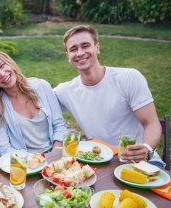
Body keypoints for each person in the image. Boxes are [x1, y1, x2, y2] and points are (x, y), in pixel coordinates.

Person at [54, 25, 164, 167]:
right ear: (67, 56)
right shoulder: (65, 91)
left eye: (85, 46)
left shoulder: (129, 78)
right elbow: (36, 100)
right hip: (98, 161)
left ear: (97, 47)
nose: (80, 53)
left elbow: (151, 123)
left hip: (140, 161)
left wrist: (147, 149)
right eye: (73, 49)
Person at [0, 49, 67, 157]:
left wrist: (55, 153)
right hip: (24, 165)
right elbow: (4, 150)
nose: (2, 74)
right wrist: (37, 161)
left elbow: (59, 124)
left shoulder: (42, 86)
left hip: (56, 156)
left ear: (9, 62)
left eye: (2, 66)